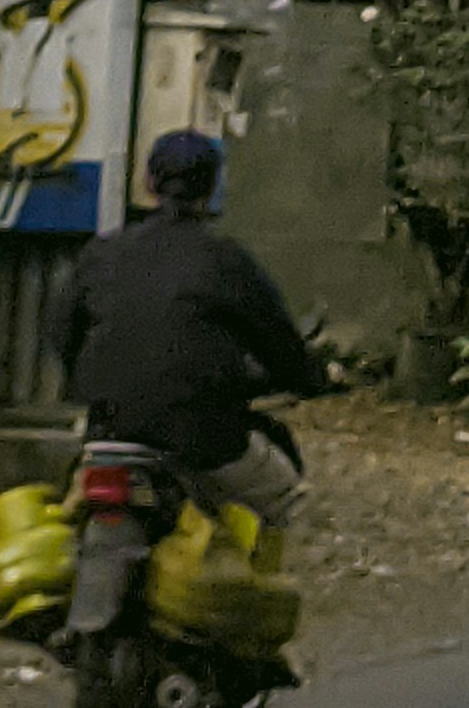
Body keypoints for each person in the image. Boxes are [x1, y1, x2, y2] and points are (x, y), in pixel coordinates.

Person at [50, 128, 333, 557]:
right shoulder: (226, 261)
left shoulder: (103, 252)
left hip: (107, 429)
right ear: (213, 186)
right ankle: (261, 586)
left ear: (149, 182)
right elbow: (281, 348)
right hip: (201, 438)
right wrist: (312, 380)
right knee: (287, 500)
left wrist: (91, 383)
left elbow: (61, 332)